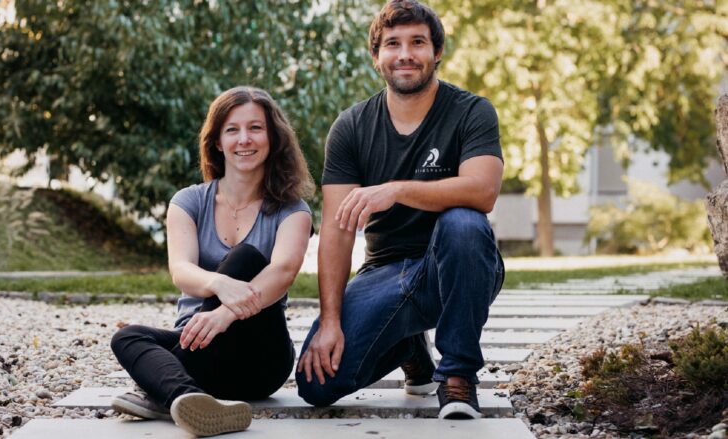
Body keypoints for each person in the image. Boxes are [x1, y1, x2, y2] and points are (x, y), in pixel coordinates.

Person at [295, 0, 505, 420]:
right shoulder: (352, 126)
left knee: (462, 222)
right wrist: (330, 321)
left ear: (437, 52)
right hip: (384, 272)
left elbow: (483, 192)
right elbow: (337, 232)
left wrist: (396, 190)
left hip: (457, 267)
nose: (405, 54)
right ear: (377, 56)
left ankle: (458, 377)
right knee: (317, 384)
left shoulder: (471, 111)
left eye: (417, 42)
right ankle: (410, 345)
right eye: (393, 43)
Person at [110, 86, 314, 436]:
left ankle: (160, 392)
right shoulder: (188, 201)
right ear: (217, 141)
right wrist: (219, 284)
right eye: (232, 129)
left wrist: (224, 313)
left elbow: (282, 272)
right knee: (126, 337)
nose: (244, 139)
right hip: (197, 348)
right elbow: (182, 270)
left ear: (272, 137)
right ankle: (189, 400)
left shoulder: (293, 210)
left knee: (247, 258)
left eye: (255, 128)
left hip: (261, 359)